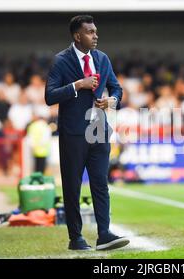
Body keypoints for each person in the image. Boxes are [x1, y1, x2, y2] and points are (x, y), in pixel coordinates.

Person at [45, 15, 128, 251]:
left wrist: (112, 100)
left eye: (95, 31)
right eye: (90, 32)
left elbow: (117, 87)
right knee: (72, 186)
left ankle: (104, 234)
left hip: (99, 130)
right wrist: (78, 85)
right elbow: (50, 96)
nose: (95, 35)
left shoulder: (102, 58)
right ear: (77, 36)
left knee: (100, 183)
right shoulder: (61, 61)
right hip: (73, 132)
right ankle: (76, 238)